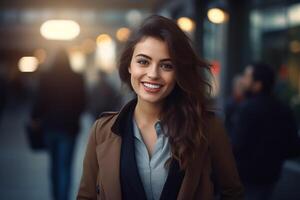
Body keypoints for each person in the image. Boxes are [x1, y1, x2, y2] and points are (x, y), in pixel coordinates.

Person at [77, 15, 244, 200]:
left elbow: (232, 193)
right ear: (130, 66)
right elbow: (87, 196)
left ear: (178, 72)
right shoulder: (102, 131)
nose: (153, 74)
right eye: (143, 61)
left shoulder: (207, 127)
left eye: (166, 65)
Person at [231, 62, 300, 200]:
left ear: (258, 84)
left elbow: (236, 146)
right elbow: (293, 146)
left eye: (247, 77)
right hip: (271, 177)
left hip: (246, 179)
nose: (243, 81)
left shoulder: (248, 109)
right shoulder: (284, 109)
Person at [31, 48, 86, 200]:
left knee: (54, 166)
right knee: (65, 167)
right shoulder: (77, 78)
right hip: (69, 129)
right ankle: (63, 197)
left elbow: (39, 101)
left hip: (50, 128)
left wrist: (35, 117)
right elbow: (82, 103)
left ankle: (56, 196)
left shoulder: (46, 77)